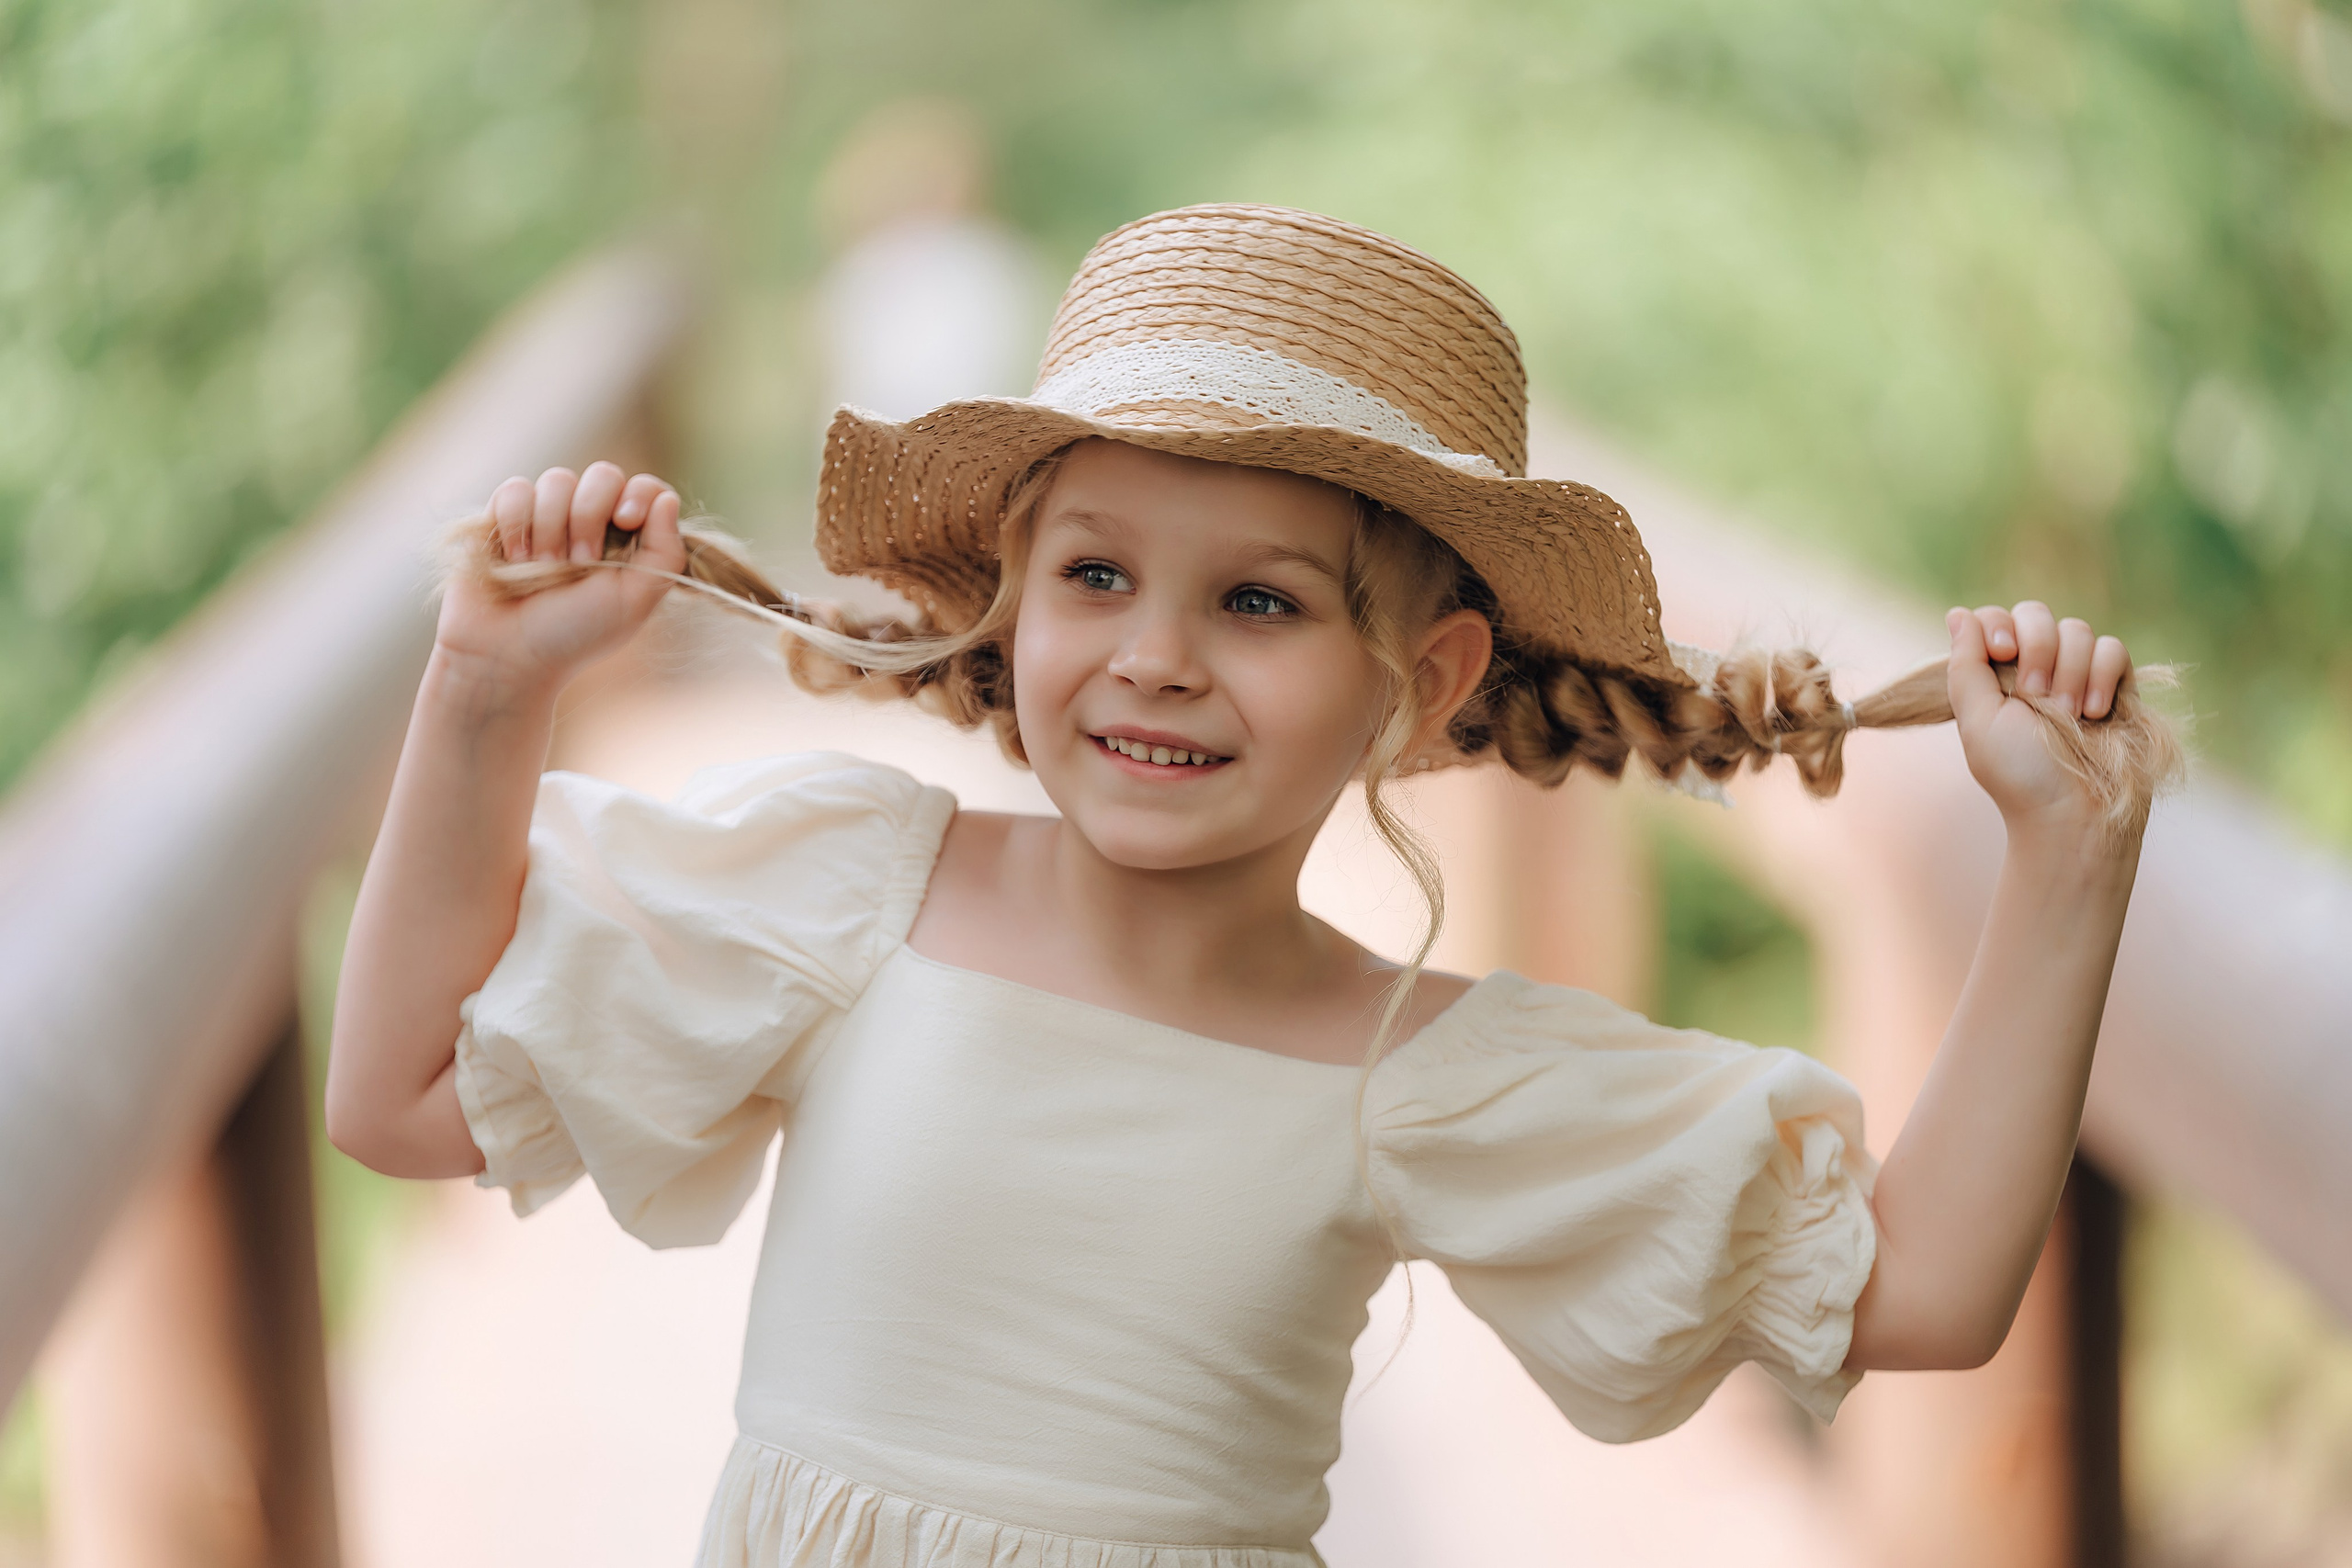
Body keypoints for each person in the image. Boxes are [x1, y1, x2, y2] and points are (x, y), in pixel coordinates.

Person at [326, 205, 2175, 1567]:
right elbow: (400, 1093)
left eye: (1262, 602)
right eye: (1095, 576)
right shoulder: (851, 896)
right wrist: (488, 686)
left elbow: (1915, 1288)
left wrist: (2067, 859)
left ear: (1425, 679)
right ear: (1009, 595)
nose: (1153, 657)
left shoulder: (1409, 1066)